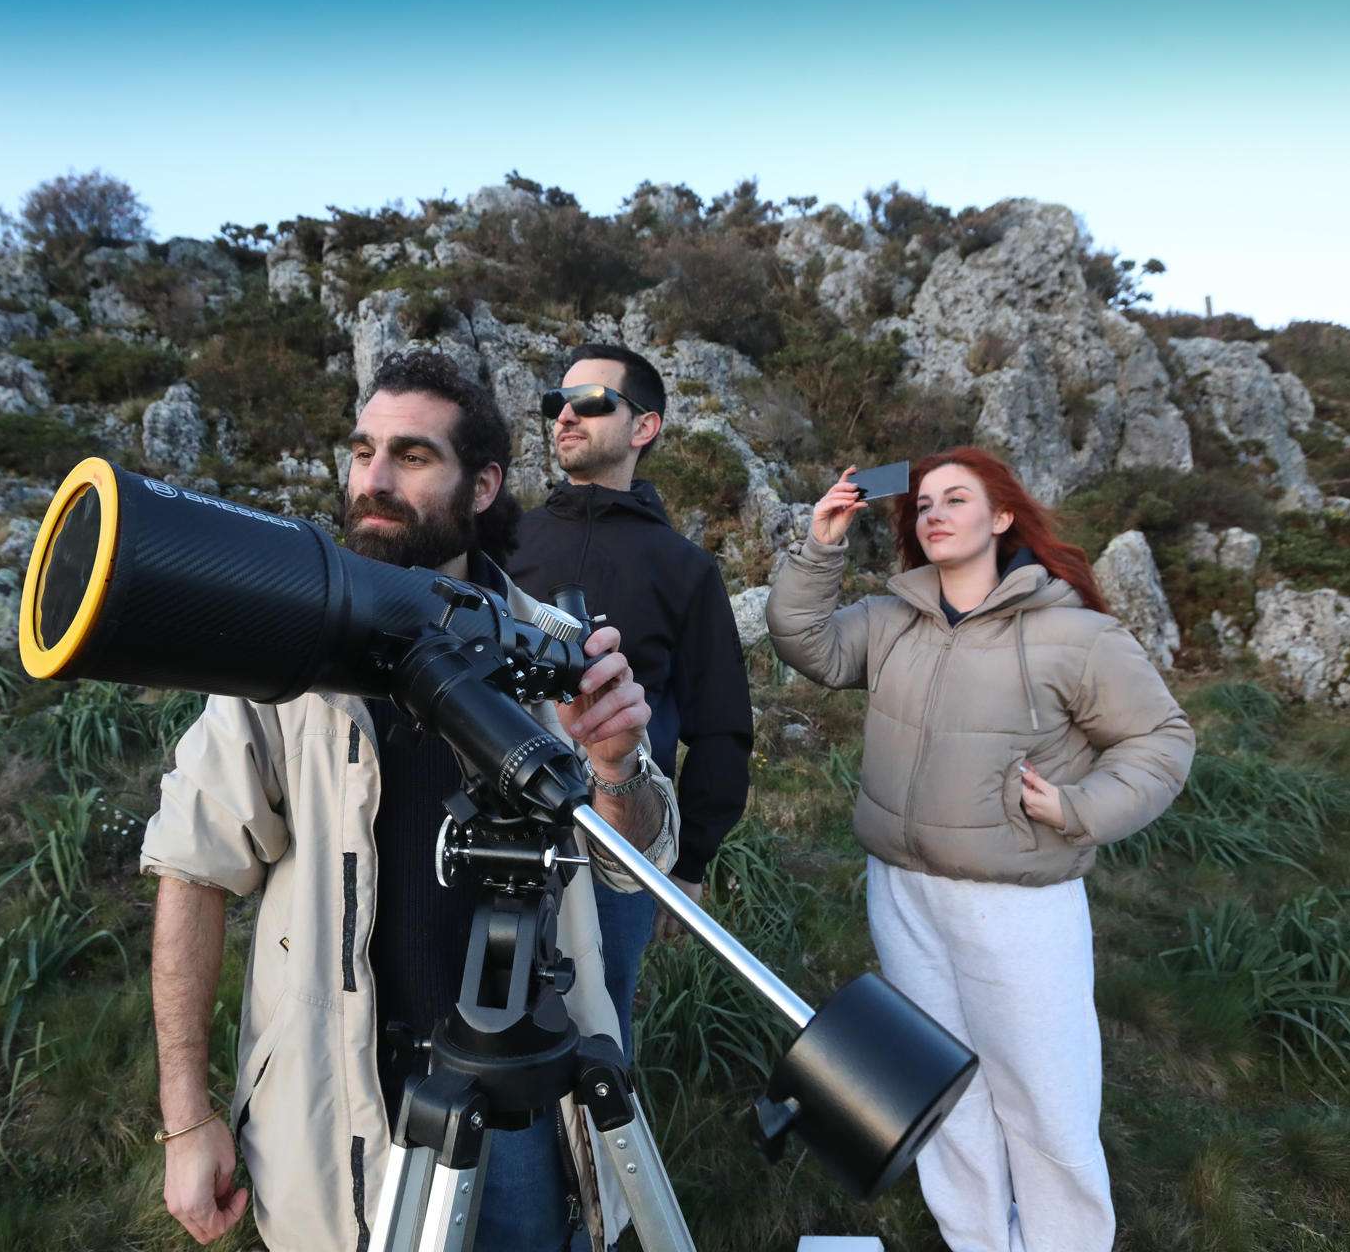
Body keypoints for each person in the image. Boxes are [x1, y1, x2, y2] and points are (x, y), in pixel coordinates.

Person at [142, 350, 679, 1252]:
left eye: (414, 456)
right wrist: (187, 1118)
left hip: (523, 1099)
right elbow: (193, 867)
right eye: (363, 452)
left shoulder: (553, 644)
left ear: (483, 486)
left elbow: (636, 860)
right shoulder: (287, 656)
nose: (374, 481)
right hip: (336, 1098)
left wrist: (618, 764)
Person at [765, 446, 1193, 1252]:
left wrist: (1077, 807)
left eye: (955, 498)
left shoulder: (1075, 634)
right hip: (903, 891)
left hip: (1018, 904)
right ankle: (977, 1241)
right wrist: (821, 544)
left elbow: (1162, 740)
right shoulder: (892, 619)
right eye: (923, 503)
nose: (934, 513)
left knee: (1044, 1100)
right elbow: (805, 641)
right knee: (943, 1089)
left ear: (1001, 516)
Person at [508, 342, 753, 1056]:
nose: (565, 417)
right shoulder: (508, 541)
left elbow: (721, 725)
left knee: (597, 1042)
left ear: (644, 427)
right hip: (495, 826)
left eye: (590, 402)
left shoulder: (684, 567)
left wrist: (690, 862)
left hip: (618, 846)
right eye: (557, 403)